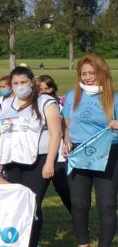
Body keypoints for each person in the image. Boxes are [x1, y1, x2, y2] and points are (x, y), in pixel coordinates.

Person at [0, 66, 61, 247]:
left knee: (33, 204)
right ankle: (17, 245)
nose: (19, 87)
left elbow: (56, 133)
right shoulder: (5, 103)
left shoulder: (46, 102)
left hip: (38, 160)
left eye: (23, 82)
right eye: (15, 83)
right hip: (12, 160)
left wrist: (49, 162)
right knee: (17, 204)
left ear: (32, 82)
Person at [61, 54, 118, 247]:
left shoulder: (114, 98)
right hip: (79, 155)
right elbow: (67, 123)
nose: (87, 78)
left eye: (92, 73)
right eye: (83, 73)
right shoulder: (71, 95)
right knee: (78, 204)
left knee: (107, 205)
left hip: (107, 154)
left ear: (102, 72)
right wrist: (66, 141)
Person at [36, 75, 72, 211]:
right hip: (40, 151)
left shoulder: (61, 104)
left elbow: (65, 127)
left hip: (60, 152)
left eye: (47, 88)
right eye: (41, 88)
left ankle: (78, 217)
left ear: (53, 88)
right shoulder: (33, 104)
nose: (44, 91)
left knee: (63, 187)